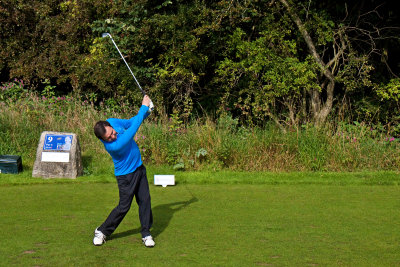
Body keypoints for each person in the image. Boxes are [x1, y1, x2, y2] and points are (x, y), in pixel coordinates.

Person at [92, 95, 155, 247]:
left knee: (145, 201)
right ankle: (102, 231)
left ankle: (146, 233)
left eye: (112, 133)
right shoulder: (113, 146)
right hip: (125, 176)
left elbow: (129, 123)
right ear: (102, 139)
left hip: (139, 168)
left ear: (110, 125)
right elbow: (132, 130)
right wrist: (144, 107)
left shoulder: (112, 121)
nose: (113, 137)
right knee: (124, 207)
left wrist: (146, 112)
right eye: (108, 138)